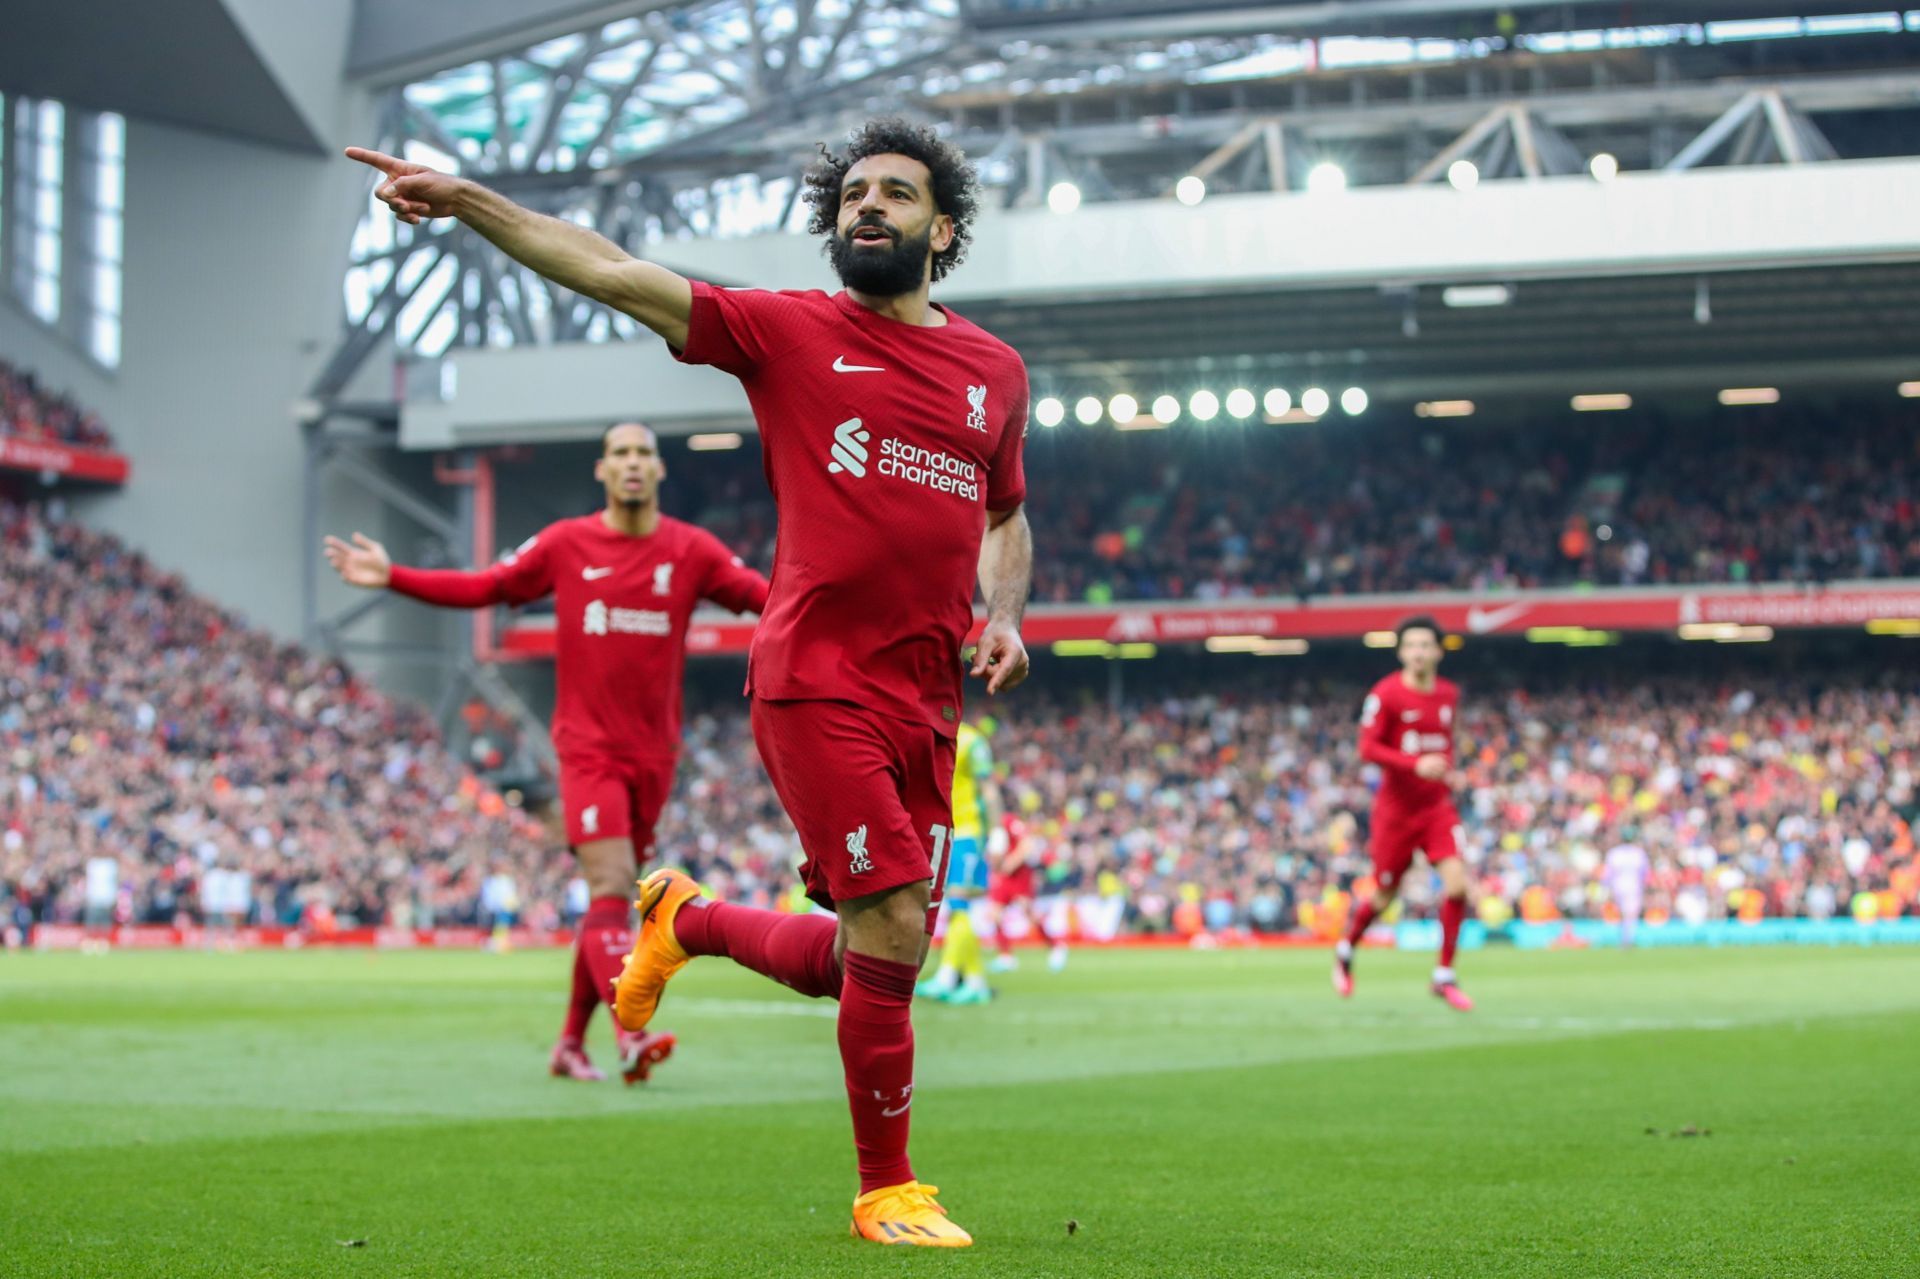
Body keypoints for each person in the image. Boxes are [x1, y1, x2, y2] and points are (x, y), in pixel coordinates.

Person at [346, 114, 1033, 1248]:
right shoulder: (786, 334)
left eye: (897, 194)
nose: (869, 206)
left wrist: (1003, 613)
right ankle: (887, 1189)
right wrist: (470, 202)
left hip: (928, 695)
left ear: (941, 226)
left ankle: (688, 919)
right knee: (896, 926)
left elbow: (1006, 513)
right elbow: (612, 268)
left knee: (879, 953)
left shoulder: (994, 373)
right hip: (815, 680)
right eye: (853, 193)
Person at [322, 421, 769, 1084]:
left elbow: (768, 600)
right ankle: (630, 1034)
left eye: (644, 451)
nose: (633, 462)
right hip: (588, 747)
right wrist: (395, 577)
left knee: (610, 903)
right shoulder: (568, 543)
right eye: (620, 452)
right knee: (615, 884)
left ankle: (568, 1043)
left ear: (658, 468)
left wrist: (848, 615)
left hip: (657, 752)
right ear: (603, 470)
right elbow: (487, 586)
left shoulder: (692, 550)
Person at [1333, 616, 1474, 1012]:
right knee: (1382, 895)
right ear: (1400, 652)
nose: (1418, 652)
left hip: (1436, 807)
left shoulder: (1448, 694)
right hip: (1396, 811)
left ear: (1438, 652)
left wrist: (1449, 771)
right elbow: (1368, 749)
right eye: (1411, 645)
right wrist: (1414, 765)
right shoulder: (1387, 693)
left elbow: (1443, 744)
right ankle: (1346, 949)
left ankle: (1443, 974)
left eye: (1426, 645)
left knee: (1458, 885)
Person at [917, 716, 1001, 1005]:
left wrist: (999, 830)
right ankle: (975, 982)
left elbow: (989, 789)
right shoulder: (929, 736)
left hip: (968, 832)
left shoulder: (972, 741)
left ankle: (948, 976)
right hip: (944, 831)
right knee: (956, 907)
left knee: (958, 902)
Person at [985, 815, 1069, 973]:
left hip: (1018, 875)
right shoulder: (987, 822)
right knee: (994, 914)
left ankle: (1056, 946)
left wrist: (1009, 864)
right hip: (1002, 876)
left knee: (1028, 912)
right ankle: (1006, 957)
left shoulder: (1009, 821)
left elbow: (1026, 845)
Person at [1603, 828, 1651, 948]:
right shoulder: (1638, 853)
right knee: (1631, 913)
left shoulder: (1614, 853)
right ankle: (1628, 939)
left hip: (1618, 886)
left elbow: (1608, 873)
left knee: (1623, 913)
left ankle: (1625, 938)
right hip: (1634, 886)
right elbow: (1645, 873)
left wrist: (1606, 886)